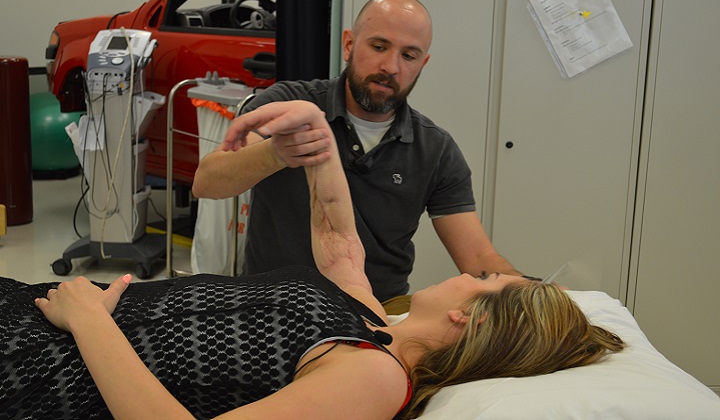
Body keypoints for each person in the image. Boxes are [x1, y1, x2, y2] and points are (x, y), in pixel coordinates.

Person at [0, 102, 623, 420]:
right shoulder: (373, 324)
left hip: (44, 369)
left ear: (470, 319)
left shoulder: (379, 379)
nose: (468, 271)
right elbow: (338, 240)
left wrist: (91, 322)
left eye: (483, 281)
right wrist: (317, 143)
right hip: (47, 323)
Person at [192, 0, 521, 304]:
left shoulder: (436, 150)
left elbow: (478, 257)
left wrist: (535, 293)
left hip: (379, 309)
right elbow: (207, 182)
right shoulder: (289, 105)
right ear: (348, 44)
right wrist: (275, 154)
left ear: (423, 63)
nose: (391, 66)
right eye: (379, 46)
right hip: (273, 303)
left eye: (409, 55)